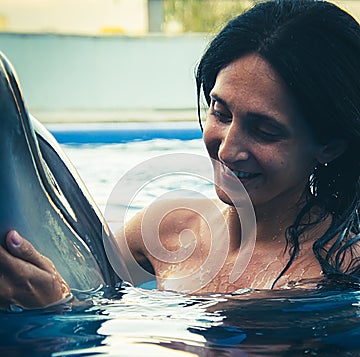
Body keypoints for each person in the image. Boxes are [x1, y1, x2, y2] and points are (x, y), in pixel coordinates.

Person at [0, 0, 359, 309]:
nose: (229, 148)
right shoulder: (167, 228)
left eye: (265, 131)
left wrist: (58, 310)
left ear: (330, 146)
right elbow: (93, 289)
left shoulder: (343, 271)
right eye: (220, 113)